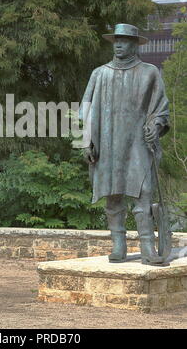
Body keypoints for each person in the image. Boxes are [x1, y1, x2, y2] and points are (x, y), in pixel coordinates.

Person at [78, 24, 170, 266]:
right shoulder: (100, 73)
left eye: (125, 40)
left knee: (144, 192)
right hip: (106, 143)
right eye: (116, 40)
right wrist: (86, 141)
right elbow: (85, 109)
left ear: (134, 44)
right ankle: (118, 244)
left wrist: (156, 124)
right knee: (112, 193)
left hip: (137, 142)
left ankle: (148, 247)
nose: (119, 44)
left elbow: (161, 109)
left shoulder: (149, 72)